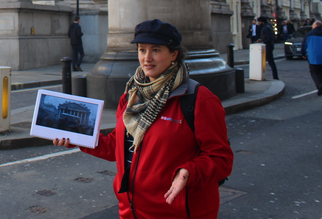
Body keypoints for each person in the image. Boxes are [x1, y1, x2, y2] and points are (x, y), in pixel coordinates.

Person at [53, 20, 233, 218]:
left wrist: (188, 172)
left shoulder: (199, 99)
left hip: (179, 211)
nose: (147, 58)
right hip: (132, 211)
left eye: (156, 50)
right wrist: (79, 138)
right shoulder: (131, 95)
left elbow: (221, 158)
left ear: (174, 54)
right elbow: (117, 147)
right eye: (141, 50)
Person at [301, 20, 322, 96]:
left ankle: (319, 84)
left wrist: (303, 54)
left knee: (314, 72)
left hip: (313, 57)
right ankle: (321, 88)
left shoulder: (308, 35)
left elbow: (303, 46)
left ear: (315, 26)